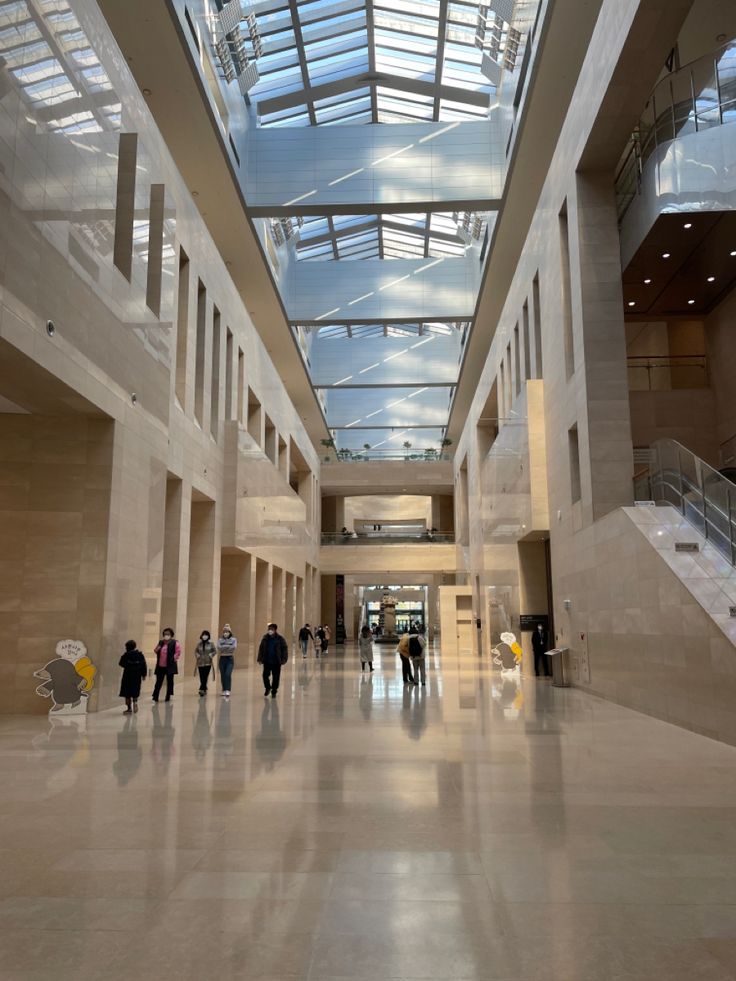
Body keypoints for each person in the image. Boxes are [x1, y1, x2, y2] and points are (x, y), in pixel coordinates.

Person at [257, 623, 288, 698]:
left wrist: (284, 659)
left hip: (276, 661)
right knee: (265, 676)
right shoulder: (265, 638)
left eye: (271, 629)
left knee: (276, 677)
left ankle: (274, 690)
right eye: (269, 629)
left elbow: (284, 649)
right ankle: (268, 687)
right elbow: (261, 649)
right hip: (267, 661)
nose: (270, 631)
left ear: (275, 630)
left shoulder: (280, 639)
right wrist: (260, 659)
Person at [119, 639, 147, 713]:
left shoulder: (126, 655)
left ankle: (129, 708)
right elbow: (144, 665)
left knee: (127, 692)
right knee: (135, 689)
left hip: (127, 675)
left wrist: (128, 665)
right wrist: (144, 674)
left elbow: (121, 663)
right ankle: (135, 701)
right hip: (137, 675)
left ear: (127, 647)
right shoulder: (140, 655)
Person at [153, 627, 180, 702]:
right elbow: (155, 650)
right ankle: (155, 696)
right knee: (158, 682)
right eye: (165, 634)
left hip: (170, 665)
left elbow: (178, 652)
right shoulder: (161, 642)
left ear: (171, 635)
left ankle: (168, 696)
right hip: (161, 666)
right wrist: (158, 647)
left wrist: (173, 659)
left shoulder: (175, 642)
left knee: (170, 681)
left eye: (168, 634)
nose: (166, 635)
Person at [217, 623, 237, 697]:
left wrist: (224, 646)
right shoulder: (220, 639)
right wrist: (228, 645)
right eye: (224, 632)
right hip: (222, 659)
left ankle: (228, 690)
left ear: (230, 632)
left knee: (227, 674)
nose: (225, 633)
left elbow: (233, 647)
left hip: (230, 659)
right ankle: (224, 689)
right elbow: (219, 648)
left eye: (227, 632)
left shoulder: (234, 639)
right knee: (223, 675)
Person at [194, 630, 216, 696]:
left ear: (208, 636)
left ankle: (202, 688)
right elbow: (196, 651)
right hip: (200, 662)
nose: (204, 636)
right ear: (201, 636)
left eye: (206, 635)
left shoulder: (211, 644)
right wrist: (197, 655)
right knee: (201, 676)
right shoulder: (199, 644)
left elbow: (215, 651)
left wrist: (211, 655)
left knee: (205, 676)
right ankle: (204, 688)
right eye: (203, 635)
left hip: (208, 662)